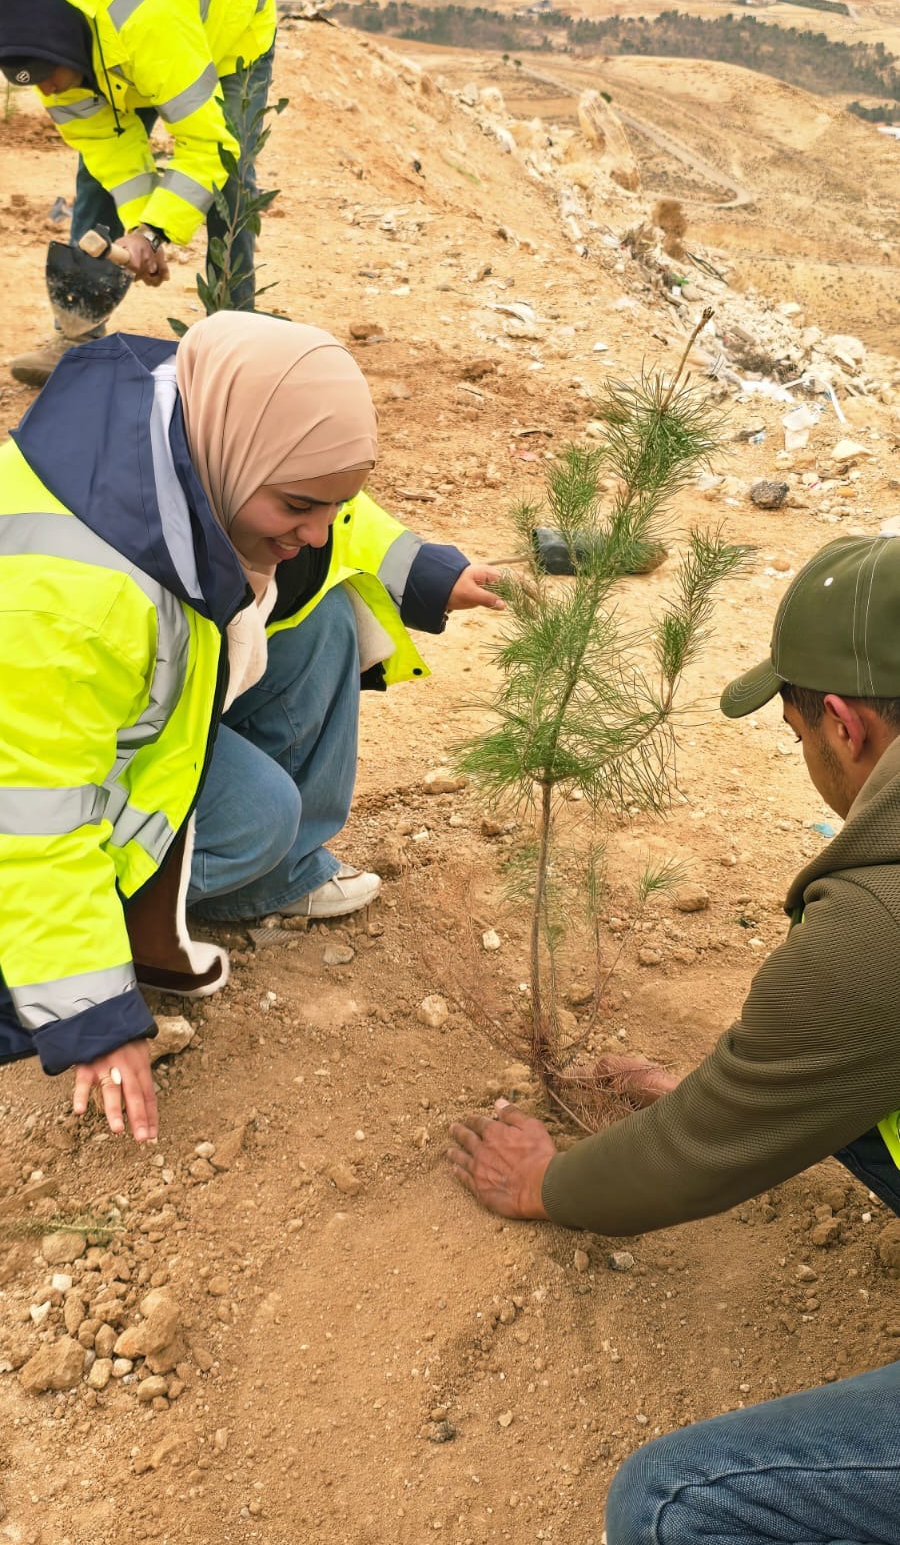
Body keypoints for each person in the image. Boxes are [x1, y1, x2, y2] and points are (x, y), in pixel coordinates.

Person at [448, 532, 900, 1544]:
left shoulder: (880, 920)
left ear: (844, 722)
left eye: (797, 736)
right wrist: (740, 1091)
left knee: (668, 1504)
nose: (811, 761)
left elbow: (693, 1162)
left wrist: (547, 1184)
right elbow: (840, 1052)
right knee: (855, 1111)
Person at [0, 311, 504, 1144]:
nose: (317, 527)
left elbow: (332, 504)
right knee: (259, 814)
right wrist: (88, 1011)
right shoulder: (71, 596)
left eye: (327, 502)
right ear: (233, 459)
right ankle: (128, 920)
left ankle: (274, 876)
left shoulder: (197, 423)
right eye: (300, 506)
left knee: (326, 617)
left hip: (111, 706)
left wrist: (426, 573)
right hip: (25, 787)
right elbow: (30, 818)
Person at [0, 0, 277, 385]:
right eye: (30, 81)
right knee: (95, 176)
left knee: (231, 179)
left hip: (227, 23)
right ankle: (79, 335)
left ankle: (234, 341)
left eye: (47, 76)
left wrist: (153, 231)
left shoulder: (151, 29)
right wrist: (140, 234)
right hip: (125, 36)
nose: (47, 92)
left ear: (66, 48)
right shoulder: (41, 35)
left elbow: (206, 146)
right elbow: (109, 152)